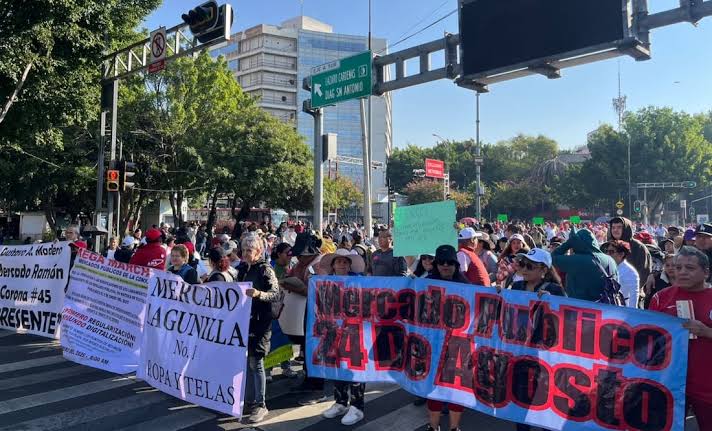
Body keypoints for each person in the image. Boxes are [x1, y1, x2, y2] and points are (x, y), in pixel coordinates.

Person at [649, 247, 712, 430]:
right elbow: (647, 338)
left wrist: (707, 332)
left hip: (707, 386)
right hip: (670, 384)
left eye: (690, 268)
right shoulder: (660, 298)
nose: (682, 272)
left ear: (706, 272)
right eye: (678, 267)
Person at [507, 248, 563, 431]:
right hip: (520, 352)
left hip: (545, 355)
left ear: (544, 270)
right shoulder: (516, 287)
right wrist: (498, 295)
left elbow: (567, 318)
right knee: (521, 395)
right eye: (522, 264)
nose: (524, 269)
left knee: (544, 396)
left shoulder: (555, 290)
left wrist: (553, 302)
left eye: (530, 266)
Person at [423, 245, 469, 431]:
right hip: (433, 343)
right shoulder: (425, 284)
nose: (445, 265)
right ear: (436, 265)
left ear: (456, 265)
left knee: (456, 387)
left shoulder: (467, 285)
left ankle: (454, 427)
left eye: (449, 262)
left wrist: (497, 291)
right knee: (433, 386)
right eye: (441, 262)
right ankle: (433, 426)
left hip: (458, 343)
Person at [320, 249, 367, 426]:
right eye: (338, 261)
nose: (342, 264)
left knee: (355, 368)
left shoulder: (360, 282)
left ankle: (357, 407)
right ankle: (340, 402)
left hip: (355, 331)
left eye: (345, 262)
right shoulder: (325, 283)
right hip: (333, 331)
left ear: (350, 265)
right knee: (337, 367)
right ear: (333, 265)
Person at [238, 235, 281, 424]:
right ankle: (249, 401)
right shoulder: (243, 269)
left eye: (249, 250)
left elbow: (275, 294)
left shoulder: (265, 269)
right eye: (244, 250)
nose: (246, 253)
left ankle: (260, 404)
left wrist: (258, 294)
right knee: (247, 362)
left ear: (258, 251)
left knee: (256, 363)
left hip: (261, 322)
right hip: (245, 321)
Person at [552, 226, 618, 302]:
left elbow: (552, 257)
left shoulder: (576, 260)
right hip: (607, 306)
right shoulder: (610, 260)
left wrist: (569, 243)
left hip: (580, 306)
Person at [608, 217, 652, 291]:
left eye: (619, 227)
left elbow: (643, 271)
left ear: (626, 229)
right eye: (613, 227)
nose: (615, 230)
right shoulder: (608, 246)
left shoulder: (638, 247)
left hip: (632, 291)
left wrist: (632, 289)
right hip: (611, 292)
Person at [604, 240, 639, 308]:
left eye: (611, 252)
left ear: (621, 254)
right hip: (607, 307)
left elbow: (634, 295)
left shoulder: (631, 272)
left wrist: (631, 312)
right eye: (606, 251)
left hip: (622, 308)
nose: (607, 254)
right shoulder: (606, 266)